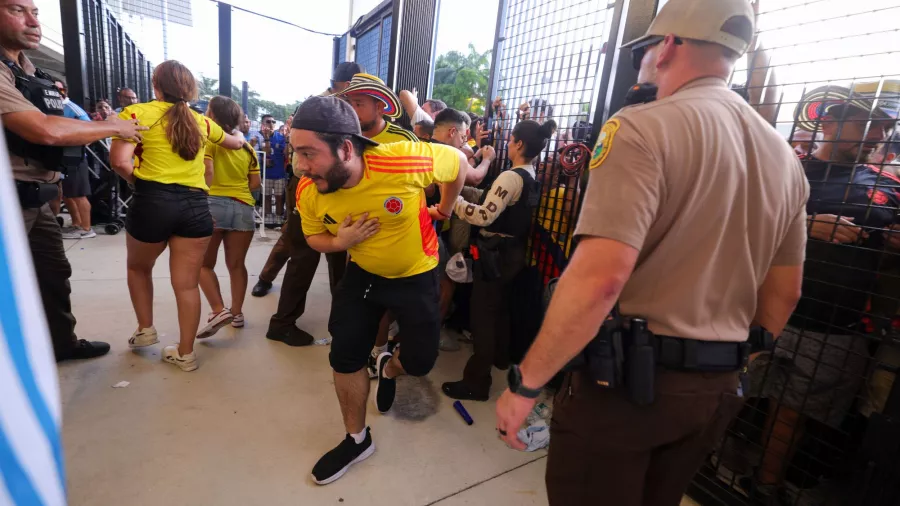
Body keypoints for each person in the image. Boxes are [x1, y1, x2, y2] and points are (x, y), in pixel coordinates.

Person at [494, 1, 809, 505]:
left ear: (667, 45)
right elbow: (785, 293)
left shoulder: (642, 127)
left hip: (628, 391)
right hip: (716, 388)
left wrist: (526, 385)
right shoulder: (783, 157)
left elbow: (600, 279)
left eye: (644, 49)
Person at [290, 96, 467, 485]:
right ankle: (357, 439)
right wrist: (342, 242)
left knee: (420, 362)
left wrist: (447, 210)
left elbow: (459, 166)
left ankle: (389, 365)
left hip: (417, 273)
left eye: (308, 153)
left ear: (346, 148)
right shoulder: (309, 189)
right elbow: (314, 236)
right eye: (295, 152)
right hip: (364, 274)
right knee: (345, 355)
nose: (300, 164)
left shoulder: (401, 159)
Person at [748, 82, 900, 494]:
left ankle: (763, 485)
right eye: (868, 124)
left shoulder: (889, 186)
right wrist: (806, 227)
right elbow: (740, 225)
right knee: (728, 392)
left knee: (793, 411)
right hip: (761, 310)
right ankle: (692, 463)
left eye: (885, 129)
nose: (878, 136)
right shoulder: (786, 169)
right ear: (828, 121)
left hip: (836, 325)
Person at [2, 0, 146, 361]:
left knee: (54, 273)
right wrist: (115, 126)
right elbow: (44, 130)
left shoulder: (29, 71)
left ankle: (60, 343)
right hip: (9, 199)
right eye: (18, 10)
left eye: (35, 11)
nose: (34, 21)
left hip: (37, 195)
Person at [108, 60, 245, 372]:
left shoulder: (135, 114)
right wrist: (239, 134)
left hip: (152, 202)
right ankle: (185, 353)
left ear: (156, 86)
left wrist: (142, 183)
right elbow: (235, 143)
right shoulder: (203, 122)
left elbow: (119, 162)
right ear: (190, 90)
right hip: (195, 206)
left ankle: (146, 330)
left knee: (139, 268)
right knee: (186, 284)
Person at [442, 119, 551, 401]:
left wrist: (452, 202)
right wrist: (469, 193)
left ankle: (476, 382)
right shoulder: (530, 175)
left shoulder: (510, 177)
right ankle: (501, 358)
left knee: (483, 316)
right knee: (500, 309)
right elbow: (498, 206)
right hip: (514, 253)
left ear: (519, 144)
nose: (507, 142)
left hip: (495, 255)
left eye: (511, 138)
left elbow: (485, 216)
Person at [195, 96, 261, 338]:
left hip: (212, 204)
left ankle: (218, 309)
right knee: (236, 265)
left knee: (203, 264)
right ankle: (237, 312)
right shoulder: (248, 148)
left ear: (212, 116)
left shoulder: (210, 141)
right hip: (243, 208)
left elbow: (208, 170)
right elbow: (256, 183)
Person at [52, 79, 97, 240]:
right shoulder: (56, 107)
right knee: (68, 194)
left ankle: (86, 228)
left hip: (75, 159)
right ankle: (77, 224)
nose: (55, 92)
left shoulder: (72, 109)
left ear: (64, 90)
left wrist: (72, 144)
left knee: (78, 194)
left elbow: (91, 133)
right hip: (63, 159)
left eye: (58, 89)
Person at [338, 73, 418, 143]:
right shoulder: (345, 138)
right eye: (349, 103)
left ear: (379, 107)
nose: (352, 111)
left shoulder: (405, 141)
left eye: (358, 104)